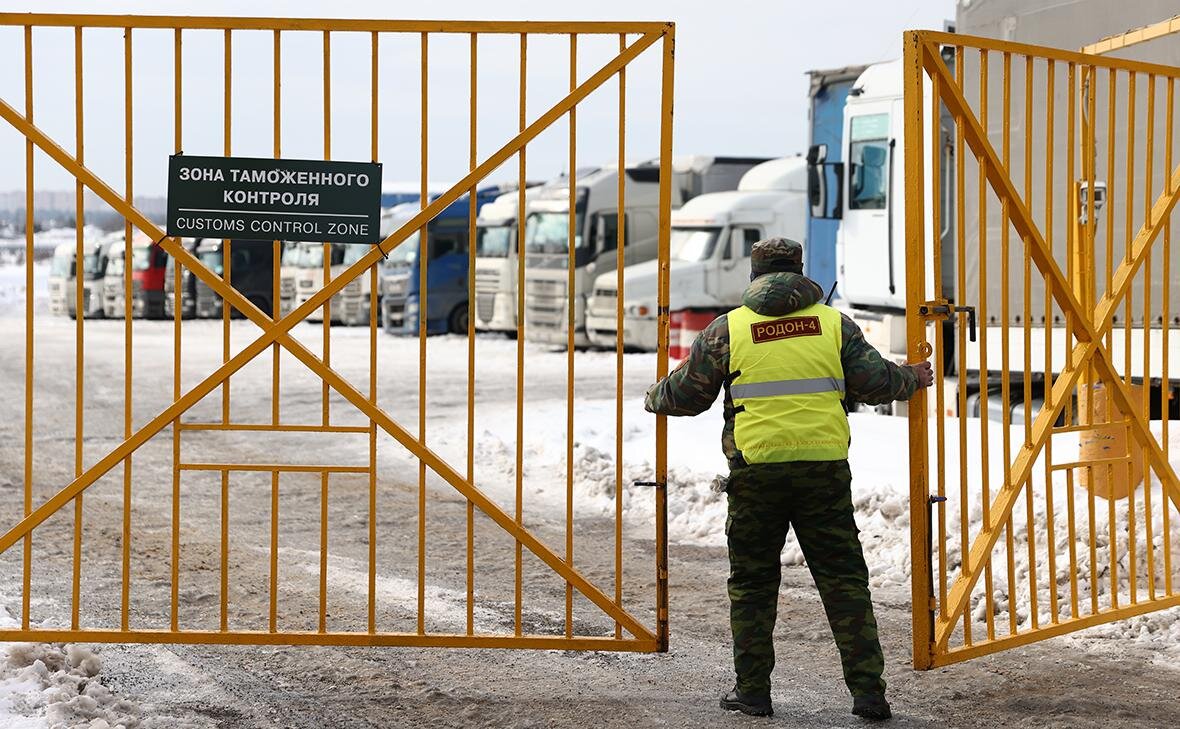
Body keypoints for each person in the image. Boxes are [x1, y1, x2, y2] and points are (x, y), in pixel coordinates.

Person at [644, 237, 933, 720]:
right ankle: (869, 694)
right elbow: (877, 383)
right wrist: (913, 377)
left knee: (753, 584)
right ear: (800, 270)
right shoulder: (833, 324)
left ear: (754, 275)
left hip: (756, 474)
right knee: (843, 581)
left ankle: (753, 692)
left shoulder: (729, 328)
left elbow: (688, 395)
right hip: (824, 471)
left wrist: (655, 396)